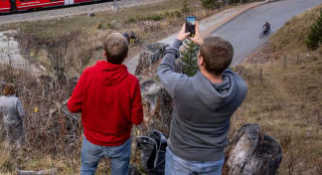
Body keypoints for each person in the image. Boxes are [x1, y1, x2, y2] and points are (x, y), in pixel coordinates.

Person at [157, 22, 247, 175]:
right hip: (213, 159)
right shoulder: (238, 89)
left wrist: (178, 40)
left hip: (180, 157)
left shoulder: (182, 87)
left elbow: (163, 69)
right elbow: (225, 69)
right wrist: (205, 44)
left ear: (200, 61)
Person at [67, 32, 144, 175]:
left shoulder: (88, 74)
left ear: (104, 53)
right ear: (126, 56)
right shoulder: (132, 82)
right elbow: (137, 119)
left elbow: (72, 106)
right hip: (120, 142)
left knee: (86, 170)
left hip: (92, 140)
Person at [0, 83, 26, 148]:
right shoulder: (16, 100)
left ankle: (9, 149)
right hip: (17, 122)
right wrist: (24, 114)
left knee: (9, 135)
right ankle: (19, 150)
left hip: (6, 121)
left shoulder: (1, 98)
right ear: (12, 90)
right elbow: (21, 114)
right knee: (20, 136)